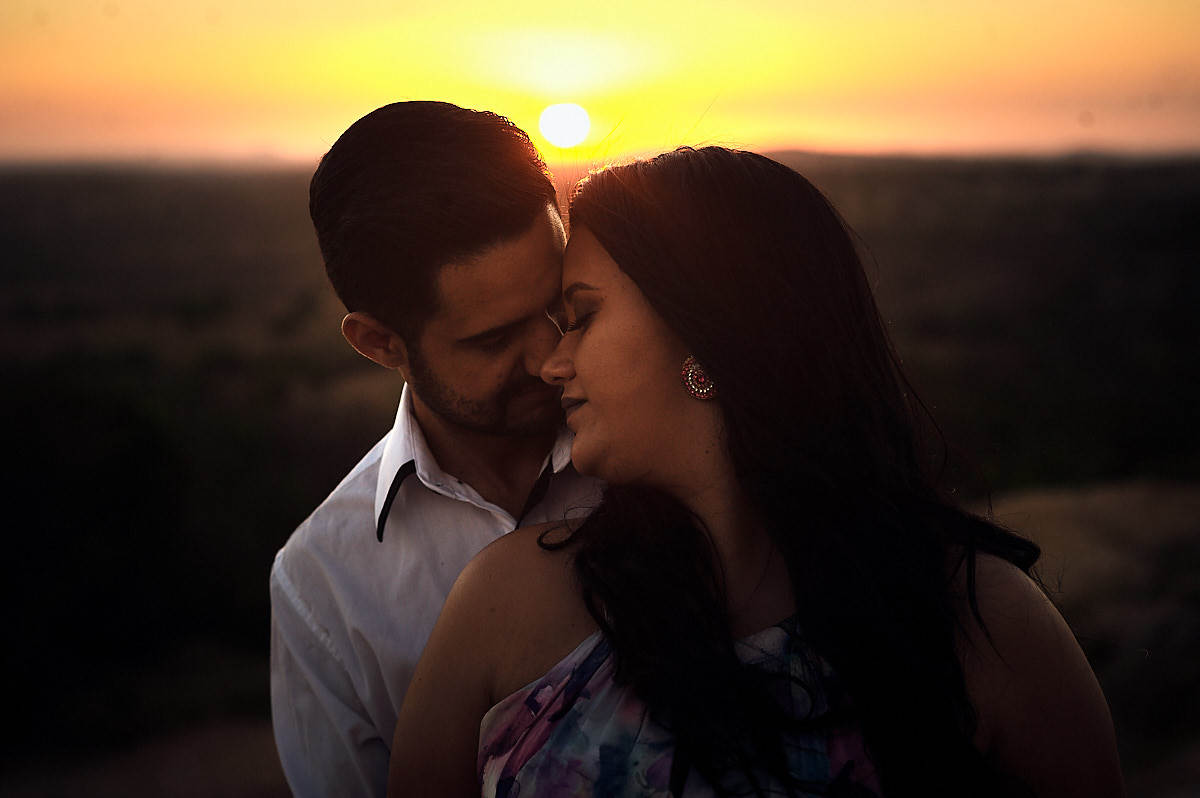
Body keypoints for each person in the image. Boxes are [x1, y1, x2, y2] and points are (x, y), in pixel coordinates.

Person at [386, 146, 1125, 796]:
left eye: (582, 316)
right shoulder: (508, 604)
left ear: (703, 334)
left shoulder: (979, 623)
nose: (553, 363)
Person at [269, 101, 603, 797]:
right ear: (380, 343)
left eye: (559, 306)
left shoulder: (661, 453)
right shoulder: (324, 581)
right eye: (493, 339)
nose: (549, 357)